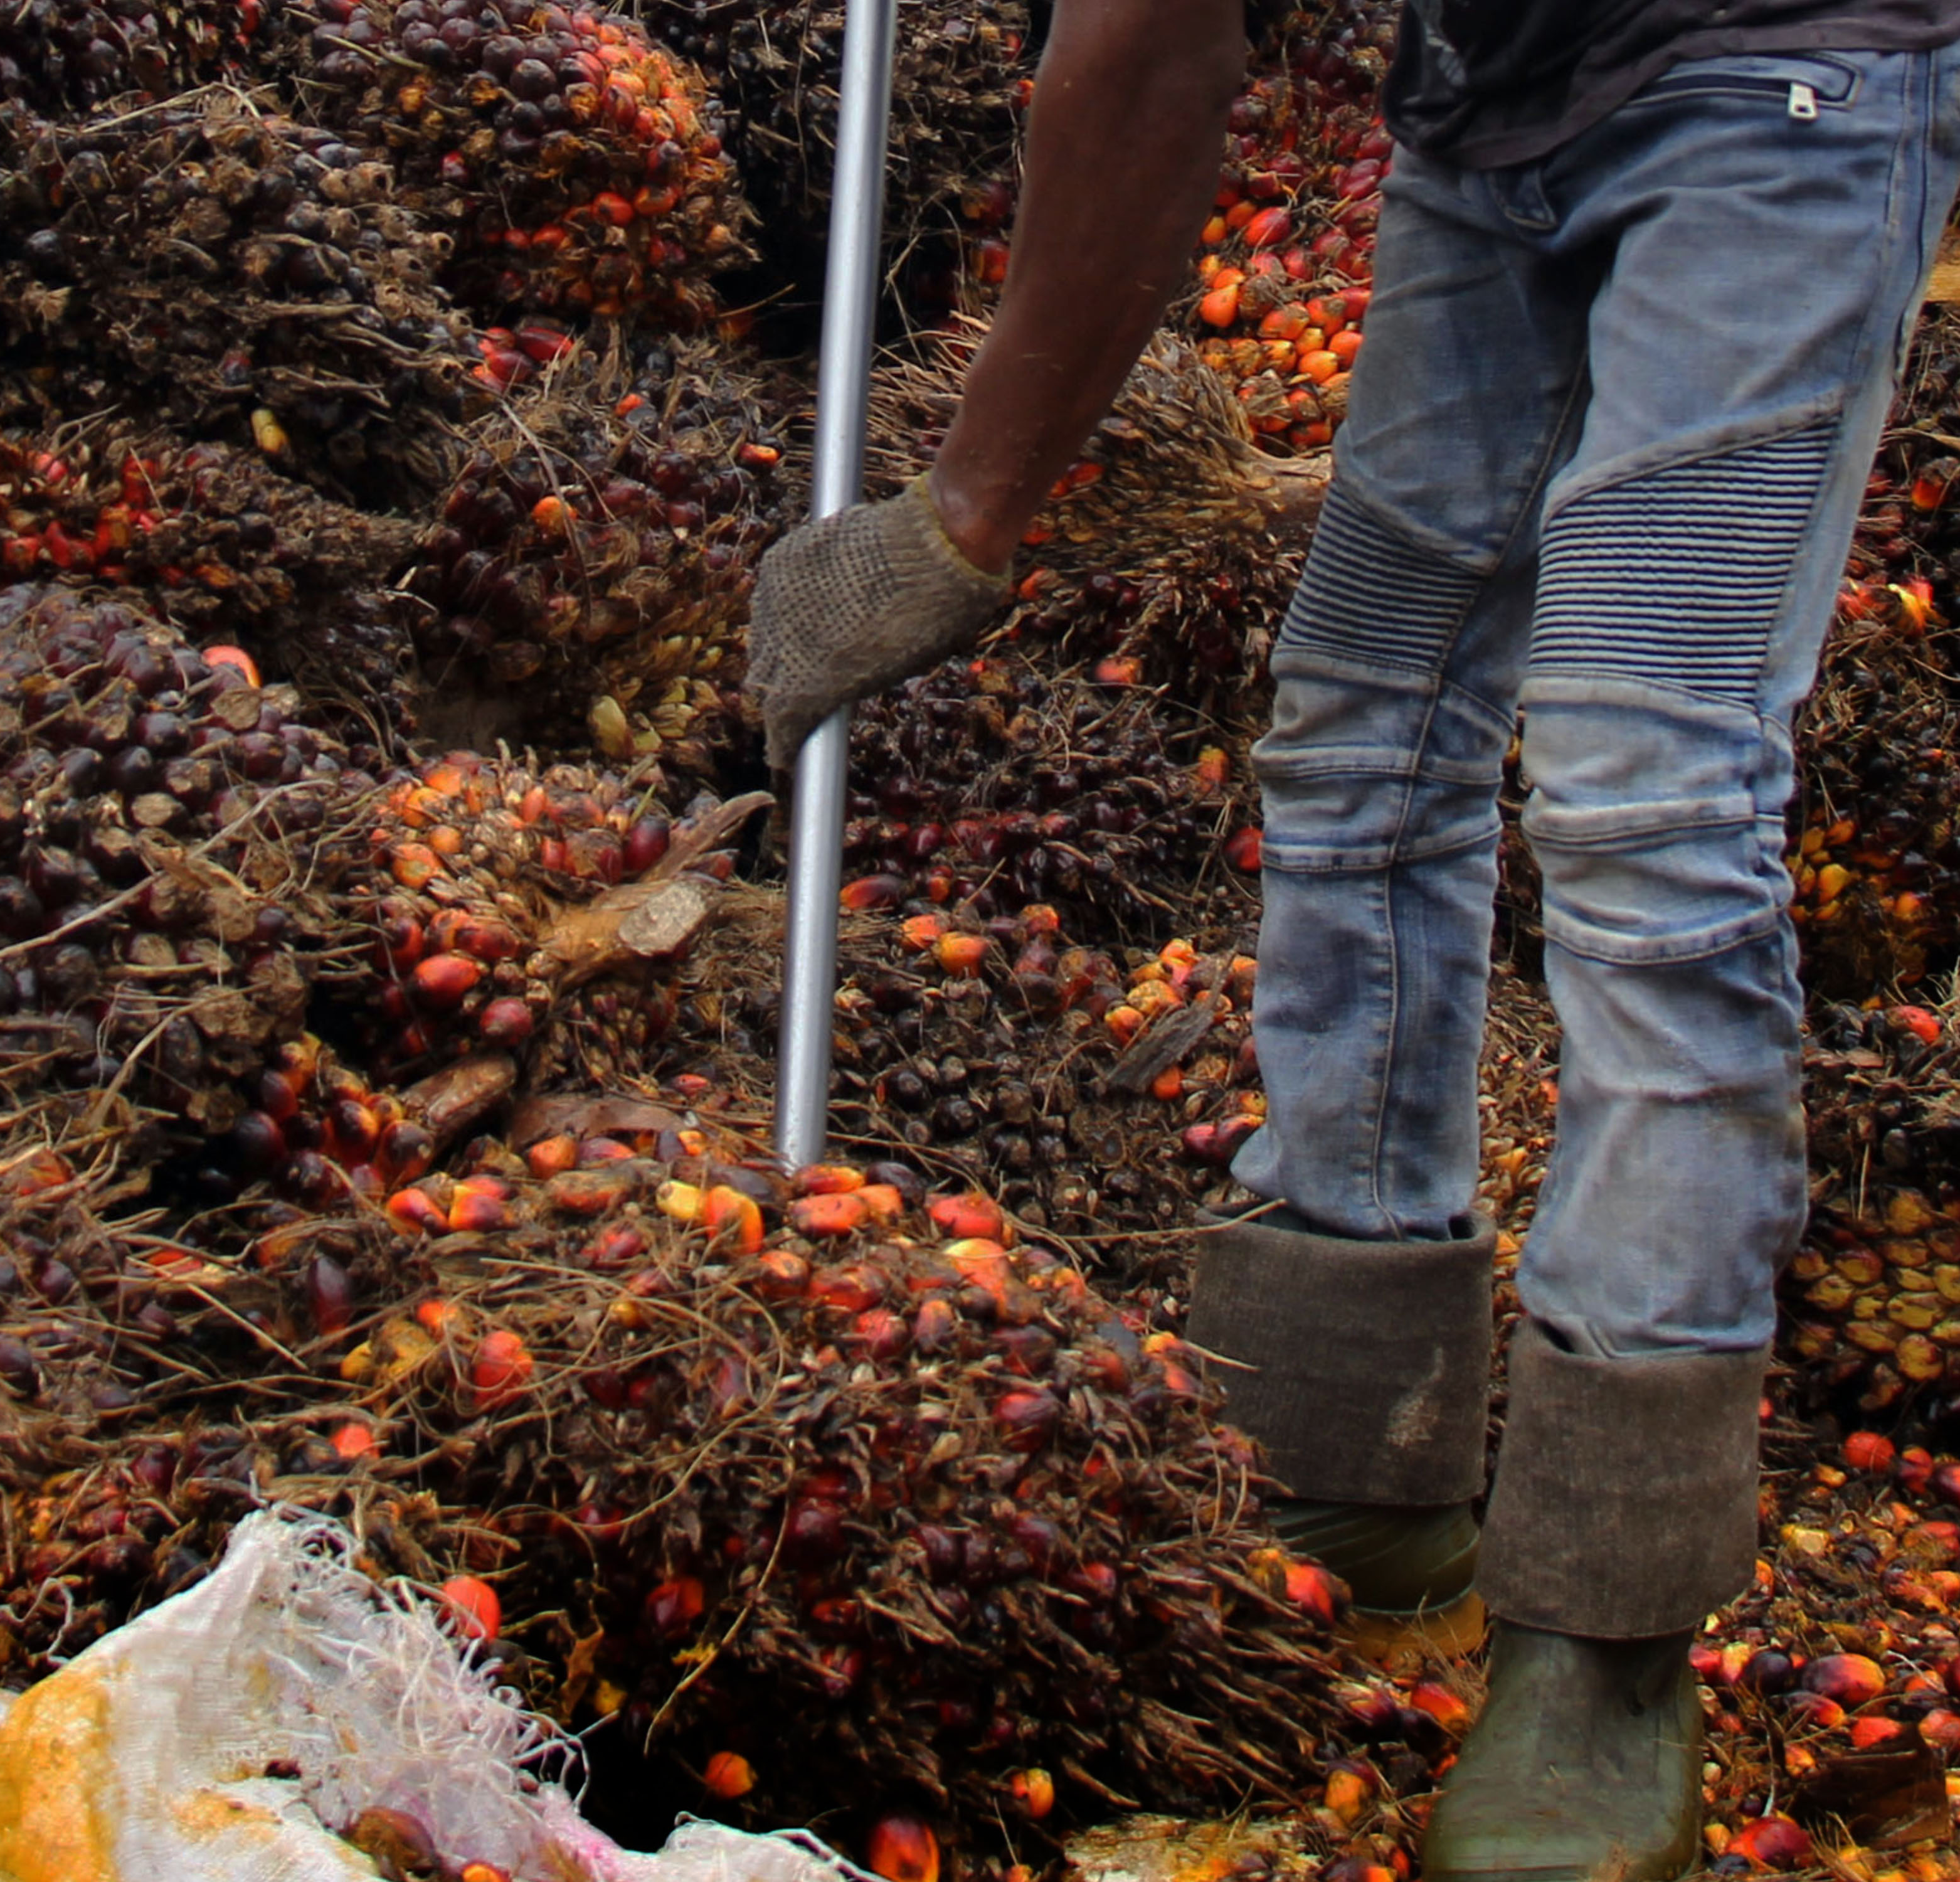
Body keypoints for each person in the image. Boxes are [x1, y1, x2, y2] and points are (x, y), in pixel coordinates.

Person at [743, 3, 1960, 1876]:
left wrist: (966, 516)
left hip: (1785, 74)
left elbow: (1148, 55)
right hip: (1499, 97)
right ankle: (1349, 1451)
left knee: (1645, 786)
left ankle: (1599, 1635)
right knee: (1361, 723)